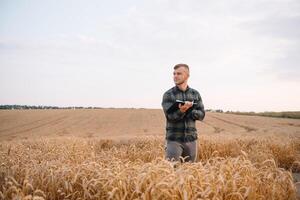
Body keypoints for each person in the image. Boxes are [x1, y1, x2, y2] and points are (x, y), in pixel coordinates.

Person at [161, 63, 205, 162]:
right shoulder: (168, 95)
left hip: (191, 139)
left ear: (187, 75)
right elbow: (170, 117)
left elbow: (202, 114)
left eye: (179, 74)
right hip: (174, 140)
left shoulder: (195, 94)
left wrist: (191, 111)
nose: (175, 76)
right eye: (174, 74)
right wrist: (182, 110)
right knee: (171, 173)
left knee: (191, 173)